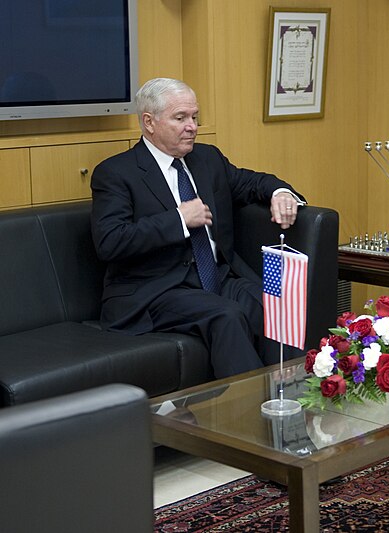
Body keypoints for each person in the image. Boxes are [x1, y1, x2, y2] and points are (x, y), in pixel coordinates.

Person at [91, 77, 305, 379]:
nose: (192, 126)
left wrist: (280, 193)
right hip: (158, 288)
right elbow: (110, 241)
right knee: (226, 315)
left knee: (275, 304)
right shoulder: (116, 173)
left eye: (194, 117)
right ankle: (249, 417)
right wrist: (178, 220)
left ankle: (292, 398)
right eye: (181, 118)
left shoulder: (207, 158)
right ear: (149, 122)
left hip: (217, 275)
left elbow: (251, 181)